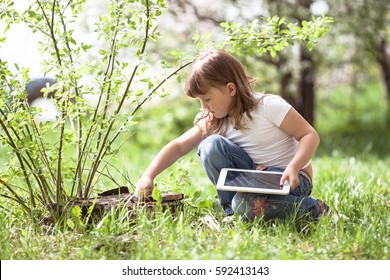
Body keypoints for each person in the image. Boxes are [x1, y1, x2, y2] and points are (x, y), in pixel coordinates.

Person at [134, 49, 331, 222]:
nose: (204, 107)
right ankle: (232, 212)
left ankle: (314, 209)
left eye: (207, 99)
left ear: (230, 89)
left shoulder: (268, 106)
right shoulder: (213, 119)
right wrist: (148, 175)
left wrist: (294, 167)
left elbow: (309, 135)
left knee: (245, 206)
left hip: (290, 179)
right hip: (253, 179)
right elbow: (179, 146)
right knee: (210, 146)